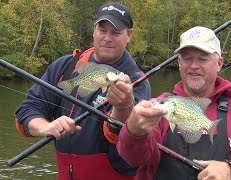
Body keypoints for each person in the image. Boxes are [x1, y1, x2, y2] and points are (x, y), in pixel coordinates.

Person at [117, 26, 231, 180]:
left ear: (219, 63)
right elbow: (132, 159)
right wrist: (133, 132)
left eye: (203, 59)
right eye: (187, 58)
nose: (193, 66)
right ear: (179, 64)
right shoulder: (157, 106)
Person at [15, 2, 150, 180]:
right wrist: (46, 127)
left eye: (116, 32)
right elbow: (27, 110)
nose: (107, 38)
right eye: (102, 30)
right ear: (94, 30)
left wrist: (124, 108)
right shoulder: (65, 66)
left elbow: (128, 152)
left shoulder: (135, 82)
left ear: (129, 35)